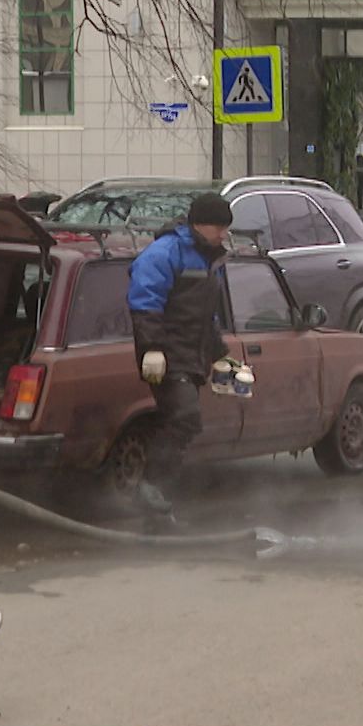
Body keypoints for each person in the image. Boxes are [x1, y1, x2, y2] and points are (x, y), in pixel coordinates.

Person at [126, 193, 235, 517]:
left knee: (182, 422)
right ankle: (149, 488)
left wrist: (219, 356)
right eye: (220, 227)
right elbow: (144, 305)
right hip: (167, 355)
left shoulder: (209, 258)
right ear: (200, 224)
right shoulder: (165, 253)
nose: (224, 234)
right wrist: (152, 350)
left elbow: (206, 315)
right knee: (185, 417)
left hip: (191, 353)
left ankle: (156, 499)